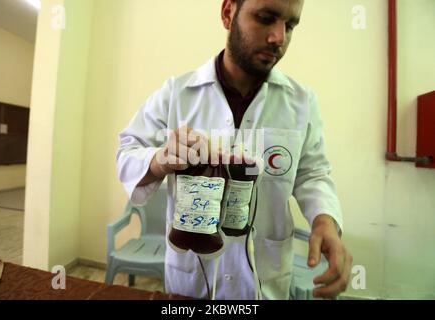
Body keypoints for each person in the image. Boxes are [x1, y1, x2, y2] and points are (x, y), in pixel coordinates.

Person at [117, 0, 352, 300]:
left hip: (263, 285)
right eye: (266, 18)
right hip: (191, 286)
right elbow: (128, 150)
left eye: (290, 26)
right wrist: (159, 160)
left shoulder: (301, 103)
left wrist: (325, 220)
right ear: (229, 13)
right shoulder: (176, 93)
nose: (279, 37)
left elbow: (313, 174)